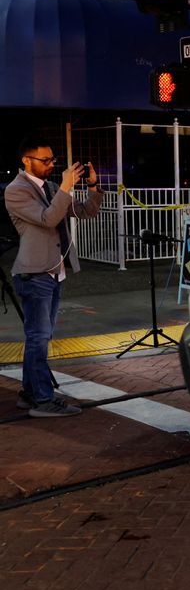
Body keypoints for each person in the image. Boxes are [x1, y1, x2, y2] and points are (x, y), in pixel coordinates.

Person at [5, 142, 103, 417]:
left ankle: (29, 393)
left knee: (39, 337)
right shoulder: (16, 191)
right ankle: (43, 401)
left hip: (53, 272)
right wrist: (65, 187)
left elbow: (85, 211)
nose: (51, 164)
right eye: (45, 160)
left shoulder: (49, 188)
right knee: (38, 338)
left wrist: (93, 187)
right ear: (27, 160)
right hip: (34, 274)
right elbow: (48, 219)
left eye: (52, 159)